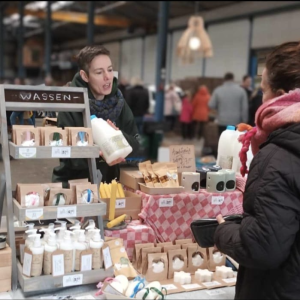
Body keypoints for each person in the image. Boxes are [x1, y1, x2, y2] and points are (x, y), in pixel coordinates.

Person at [214, 41, 300, 299]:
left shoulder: (277, 157)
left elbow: (264, 247)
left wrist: (223, 232)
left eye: (263, 91)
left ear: (282, 95)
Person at [52, 45, 140, 186]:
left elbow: (136, 145)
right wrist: (96, 150)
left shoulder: (119, 103)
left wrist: (119, 136)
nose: (107, 77)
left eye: (110, 70)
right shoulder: (71, 104)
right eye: (99, 72)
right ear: (85, 76)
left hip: (110, 185)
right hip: (76, 186)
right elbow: (67, 156)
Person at [209, 72, 248, 137]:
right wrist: (244, 121)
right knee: (234, 142)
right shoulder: (241, 91)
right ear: (233, 79)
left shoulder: (218, 90)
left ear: (224, 79)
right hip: (236, 122)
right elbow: (245, 108)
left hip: (222, 121)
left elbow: (211, 105)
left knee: (222, 141)